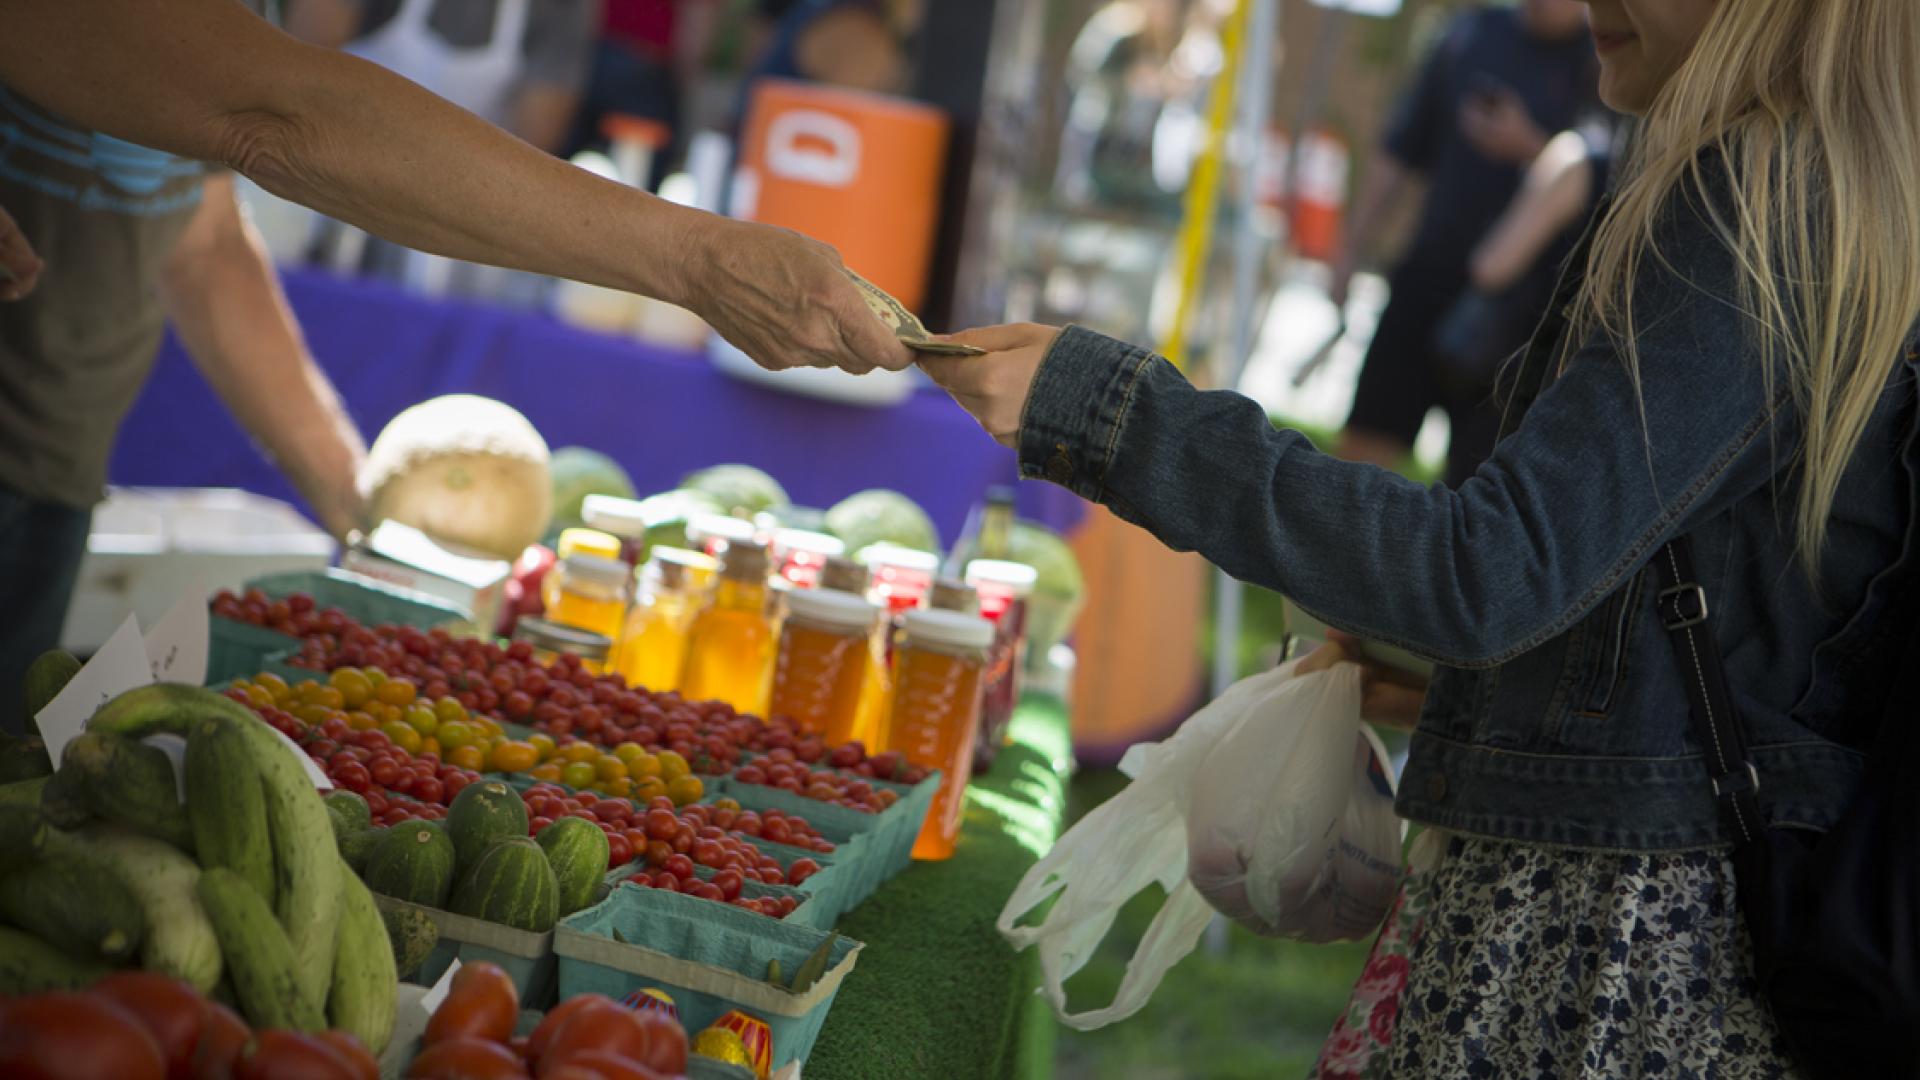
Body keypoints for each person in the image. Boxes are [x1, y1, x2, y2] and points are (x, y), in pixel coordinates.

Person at [924, 0, 1920, 1073]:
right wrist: (1492, 690)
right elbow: (1721, 594)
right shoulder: (1831, 192)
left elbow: (1487, 570)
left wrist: (1111, 411)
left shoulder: (1768, 192)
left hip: (1614, 946)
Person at [0, 0, 913, 728]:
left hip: (53, 473)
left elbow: (198, 237)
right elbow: (277, 116)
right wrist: (696, 259)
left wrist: (363, 509)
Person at [1330, 0, 1595, 484]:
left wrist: (1532, 147)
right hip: (1427, 278)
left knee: (1477, 491)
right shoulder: (1471, 33)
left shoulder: (1604, 56)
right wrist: (1348, 249)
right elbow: (1400, 149)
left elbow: (1601, 178)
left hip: (1520, 320)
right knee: (1358, 462)